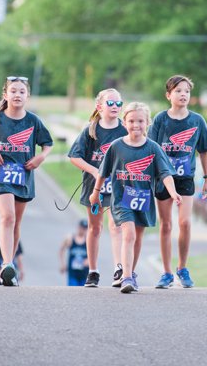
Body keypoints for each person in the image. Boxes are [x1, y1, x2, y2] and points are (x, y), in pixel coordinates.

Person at [89, 102, 180, 294]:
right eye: (131, 121)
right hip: (122, 199)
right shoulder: (116, 146)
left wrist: (172, 192)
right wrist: (95, 193)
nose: (136, 125)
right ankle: (127, 277)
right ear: (124, 122)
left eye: (140, 121)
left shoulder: (153, 148)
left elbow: (165, 173)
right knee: (128, 234)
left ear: (147, 123)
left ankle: (131, 273)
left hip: (144, 199)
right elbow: (102, 172)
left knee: (138, 238)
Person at [0, 76, 53, 287]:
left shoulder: (33, 121)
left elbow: (48, 143)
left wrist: (40, 157)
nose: (17, 95)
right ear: (5, 95)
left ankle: (11, 266)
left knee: (16, 221)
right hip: (0, 176)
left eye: (22, 92)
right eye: (13, 91)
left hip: (23, 176)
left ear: (28, 96)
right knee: (7, 217)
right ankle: (6, 264)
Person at [149, 75, 207, 289]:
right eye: (178, 91)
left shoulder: (197, 121)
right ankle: (166, 273)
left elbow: (203, 151)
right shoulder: (160, 120)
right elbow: (151, 150)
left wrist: (206, 178)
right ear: (168, 95)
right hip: (163, 179)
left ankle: (182, 267)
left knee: (185, 222)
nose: (183, 94)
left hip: (186, 179)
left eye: (186, 91)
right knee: (166, 225)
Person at [67, 89, 128, 288]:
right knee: (95, 227)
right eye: (110, 103)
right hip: (94, 188)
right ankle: (93, 271)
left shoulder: (125, 130)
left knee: (116, 226)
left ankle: (119, 269)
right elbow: (74, 157)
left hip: (118, 186)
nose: (115, 108)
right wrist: (95, 171)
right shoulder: (91, 130)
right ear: (99, 106)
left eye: (119, 104)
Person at [59, 220, 91, 287]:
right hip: (72, 273)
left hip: (84, 273)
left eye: (85, 228)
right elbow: (61, 250)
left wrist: (89, 261)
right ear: (78, 227)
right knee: (73, 290)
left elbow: (94, 253)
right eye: (82, 228)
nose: (83, 230)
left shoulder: (88, 240)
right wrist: (62, 264)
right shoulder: (70, 239)